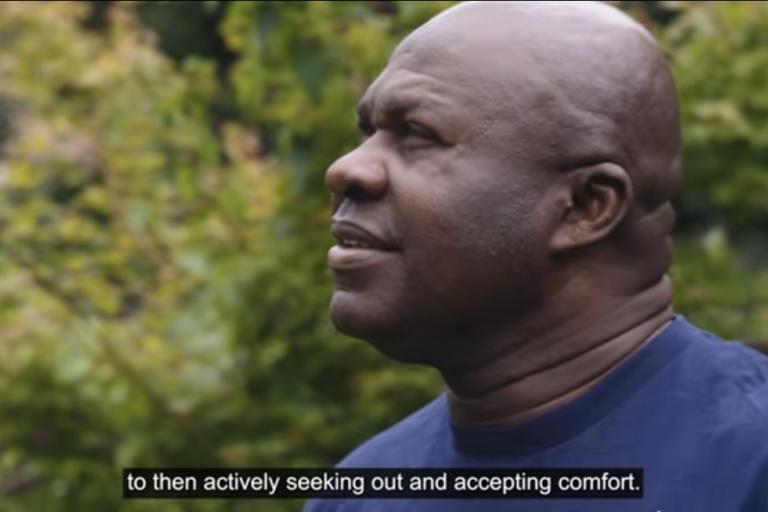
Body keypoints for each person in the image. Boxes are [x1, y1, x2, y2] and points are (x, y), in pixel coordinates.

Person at [307, 1, 768, 510]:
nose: (348, 169)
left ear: (586, 206)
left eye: (417, 133)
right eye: (368, 132)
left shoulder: (749, 462)